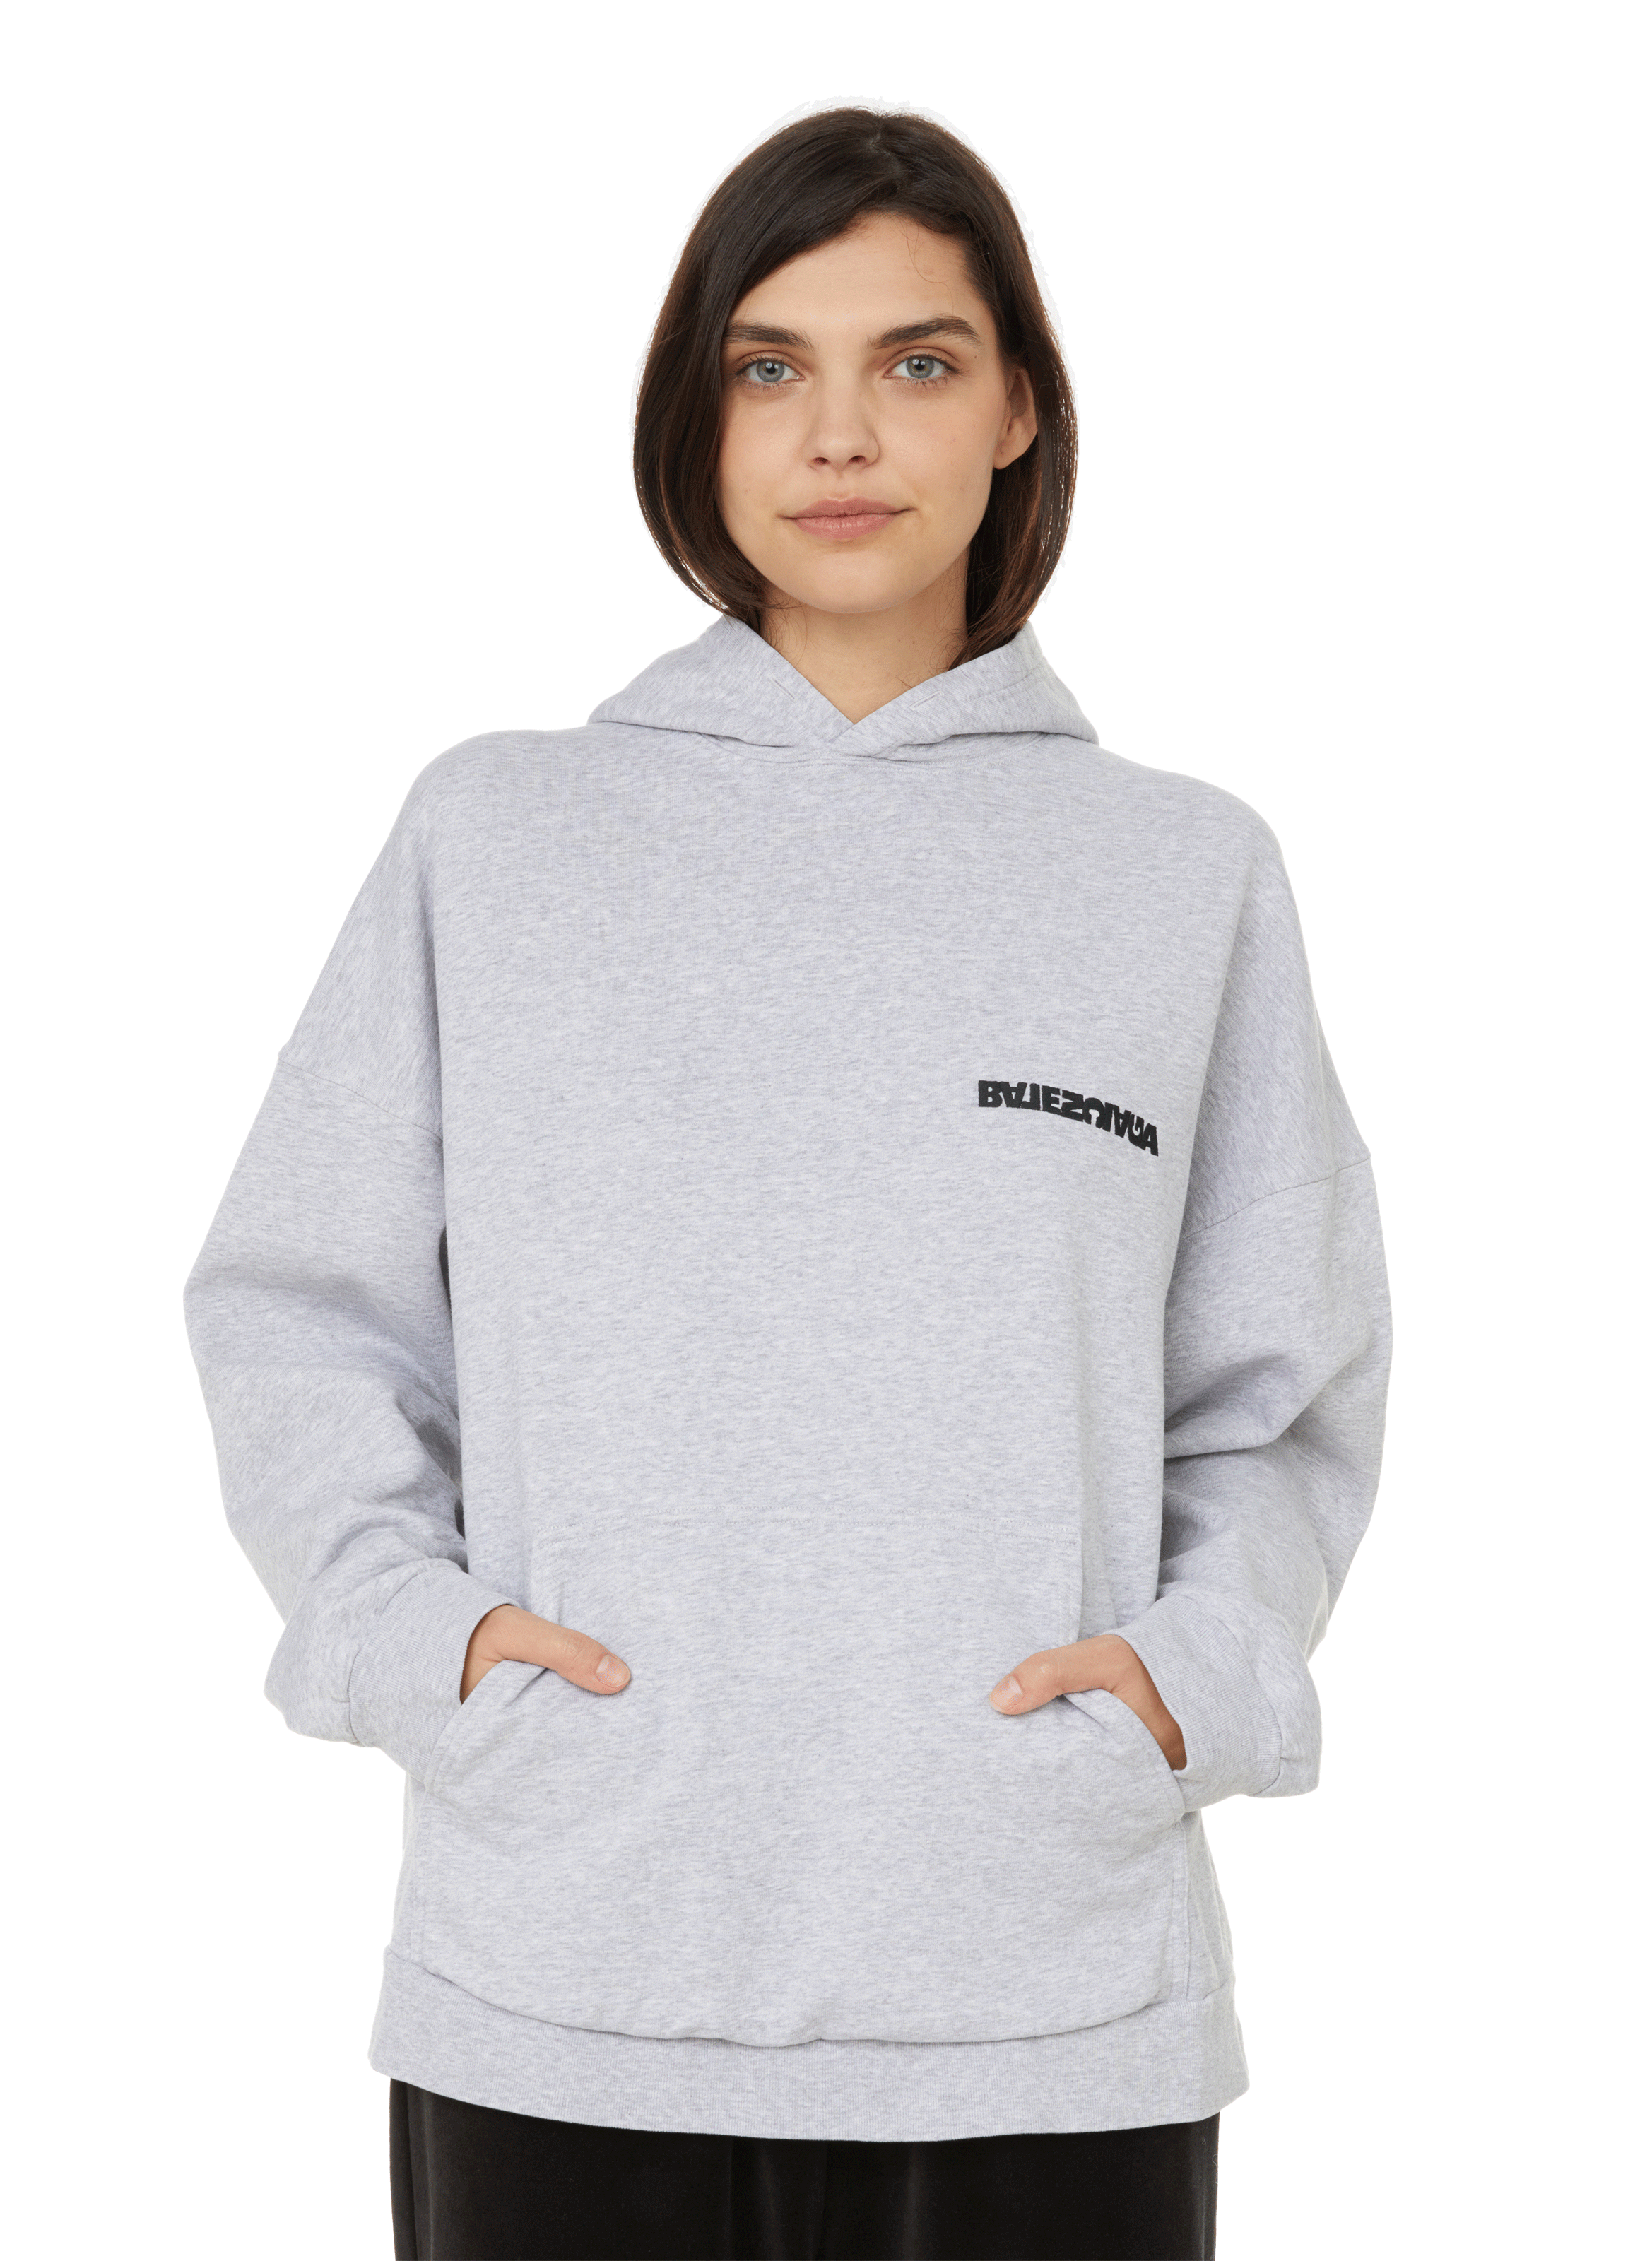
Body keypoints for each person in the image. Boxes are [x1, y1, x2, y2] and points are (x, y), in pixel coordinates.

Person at [182, 96, 1393, 2261]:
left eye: (917, 360)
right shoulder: (498, 834)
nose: (841, 433)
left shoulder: (1179, 870)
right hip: (567, 1967)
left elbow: (1281, 1392)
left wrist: (1183, 1689)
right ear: (696, 414)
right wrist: (419, 1657)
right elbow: (301, 1312)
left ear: (1018, 409)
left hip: (1044, 1984)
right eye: (771, 366)